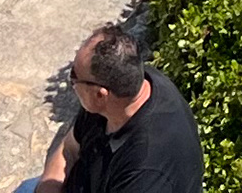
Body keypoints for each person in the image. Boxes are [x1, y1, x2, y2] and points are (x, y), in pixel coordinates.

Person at [38, 23, 202, 193]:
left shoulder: (145, 171)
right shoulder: (126, 82)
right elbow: (69, 148)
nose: (72, 84)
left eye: (74, 76)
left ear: (100, 95)